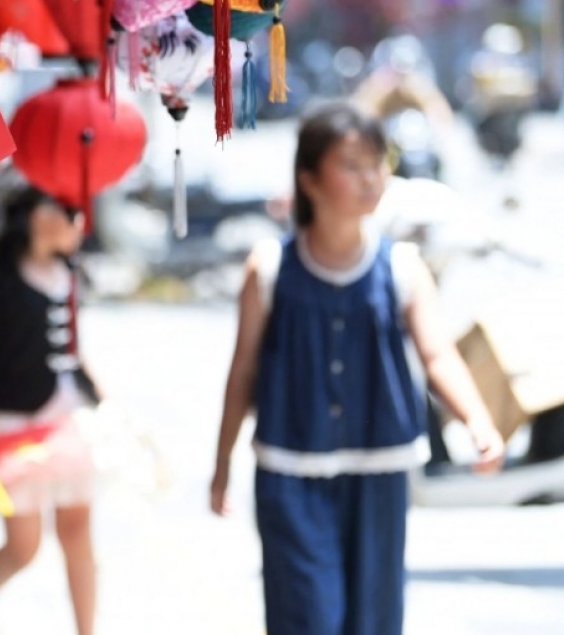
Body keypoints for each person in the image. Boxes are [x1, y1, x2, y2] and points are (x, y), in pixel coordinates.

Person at [209, 103, 505, 635]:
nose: (371, 178)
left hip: (380, 471)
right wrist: (222, 463)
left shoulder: (402, 266)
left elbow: (437, 355)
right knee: (308, 618)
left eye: (377, 163)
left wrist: (477, 421)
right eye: (352, 165)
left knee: (373, 620)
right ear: (310, 180)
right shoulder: (270, 269)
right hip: (290, 472)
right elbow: (243, 372)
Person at [0, 187, 100, 635]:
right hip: (8, 421)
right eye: (66, 211)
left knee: (77, 529)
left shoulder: (70, 272)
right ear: (36, 217)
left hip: (63, 417)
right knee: (24, 544)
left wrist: (102, 398)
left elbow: (73, 349)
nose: (76, 222)